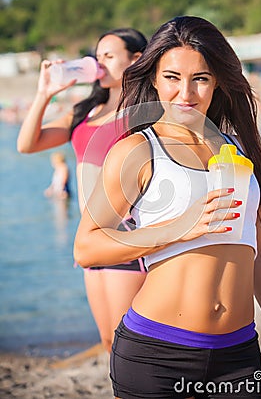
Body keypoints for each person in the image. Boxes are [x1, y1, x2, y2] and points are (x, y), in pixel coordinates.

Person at [74, 16, 261, 398]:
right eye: (171, 77)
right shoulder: (136, 151)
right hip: (156, 356)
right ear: (152, 78)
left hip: (239, 357)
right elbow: (86, 247)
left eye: (200, 78)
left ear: (217, 81)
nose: (186, 93)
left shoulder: (238, 150)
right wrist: (181, 226)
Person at [17, 28, 148, 353]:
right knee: (108, 343)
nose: (99, 63)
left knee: (128, 346)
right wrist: (45, 93)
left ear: (137, 59)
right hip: (89, 241)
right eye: (97, 56)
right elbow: (27, 144)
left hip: (126, 238)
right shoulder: (84, 112)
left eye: (108, 56)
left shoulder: (145, 113)